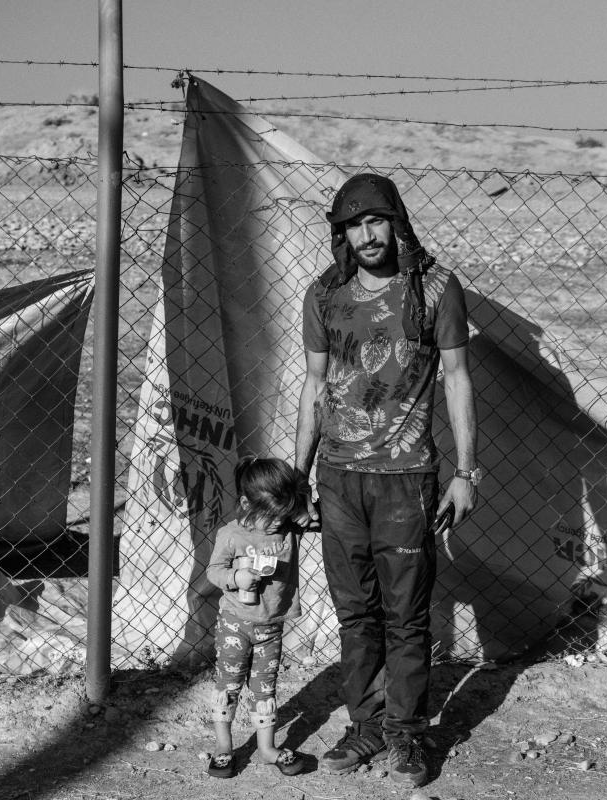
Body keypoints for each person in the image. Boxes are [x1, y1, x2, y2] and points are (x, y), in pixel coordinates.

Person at [294, 172, 479, 788]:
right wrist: (299, 477)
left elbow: (457, 380)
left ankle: (407, 736)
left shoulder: (434, 290)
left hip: (407, 477)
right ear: (341, 233)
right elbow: (315, 387)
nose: (368, 235)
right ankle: (366, 723)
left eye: (377, 221)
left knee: (406, 614)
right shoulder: (324, 295)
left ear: (397, 222)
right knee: (356, 613)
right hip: (340, 479)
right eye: (355, 224)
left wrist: (465, 472)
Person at [203, 456, 310, 779]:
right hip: (236, 624)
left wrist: (302, 510)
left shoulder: (288, 528)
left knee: (265, 689)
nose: (278, 522)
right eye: (272, 515)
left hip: (270, 628)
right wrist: (235, 578)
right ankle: (224, 747)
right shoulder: (232, 535)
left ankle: (267, 749)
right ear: (246, 503)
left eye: (284, 514)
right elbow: (213, 571)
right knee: (229, 684)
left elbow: (311, 518)